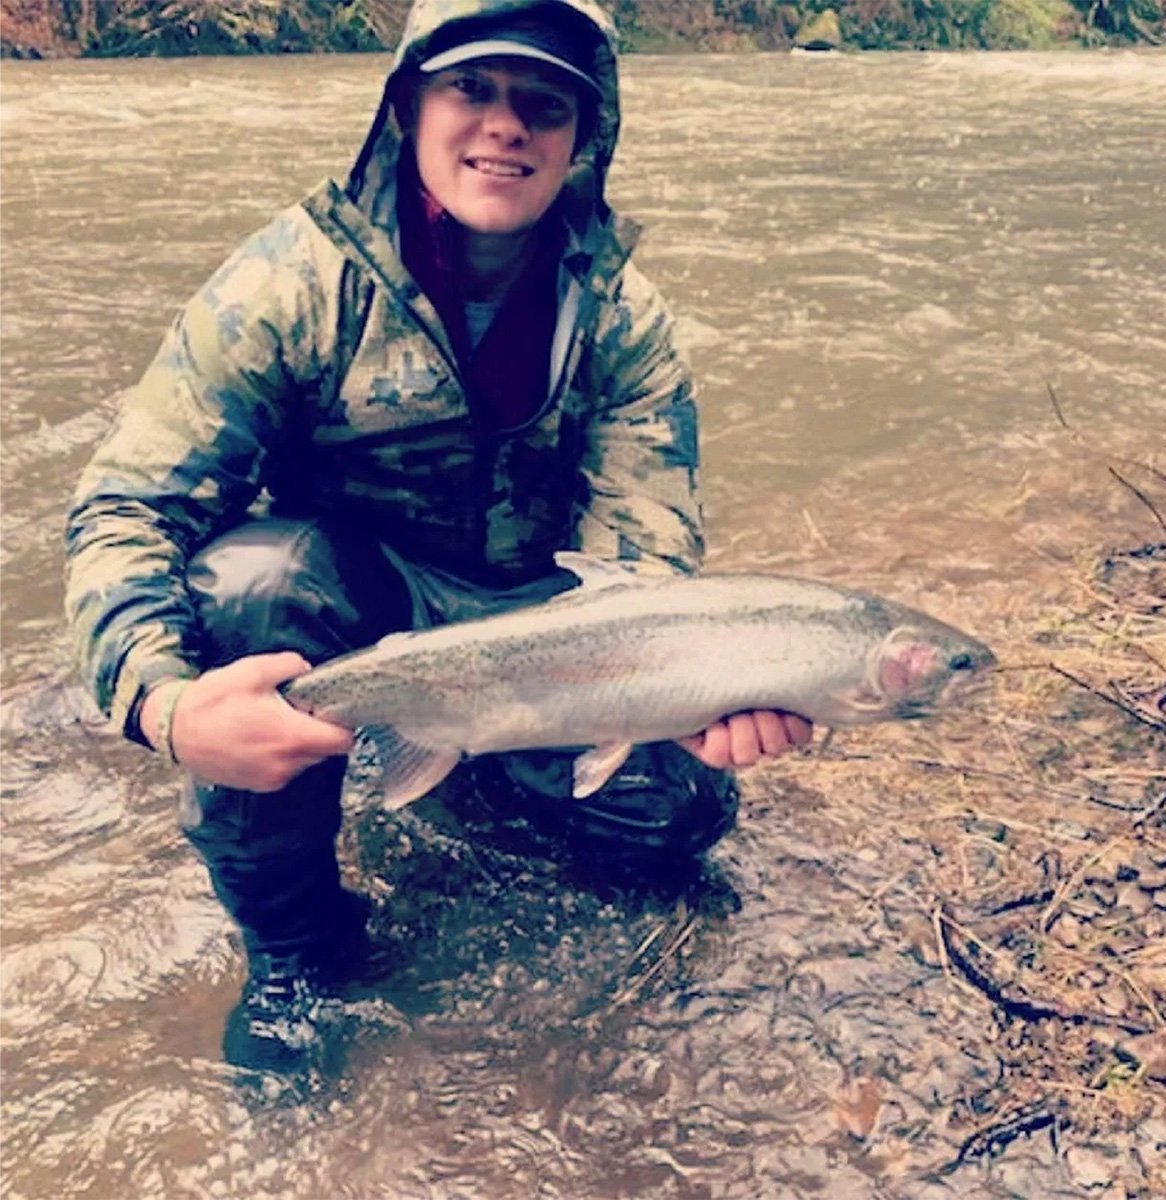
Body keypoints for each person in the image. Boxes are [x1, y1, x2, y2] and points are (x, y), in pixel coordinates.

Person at [64, 0, 812, 1075]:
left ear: (580, 138)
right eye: (472, 89)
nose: (505, 126)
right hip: (349, 608)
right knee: (246, 582)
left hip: (547, 635)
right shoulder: (290, 285)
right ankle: (294, 954)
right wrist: (159, 705)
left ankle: (468, 759)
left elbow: (645, 565)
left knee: (675, 818)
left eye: (542, 104)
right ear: (407, 106)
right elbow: (127, 505)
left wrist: (693, 691)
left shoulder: (620, 318)